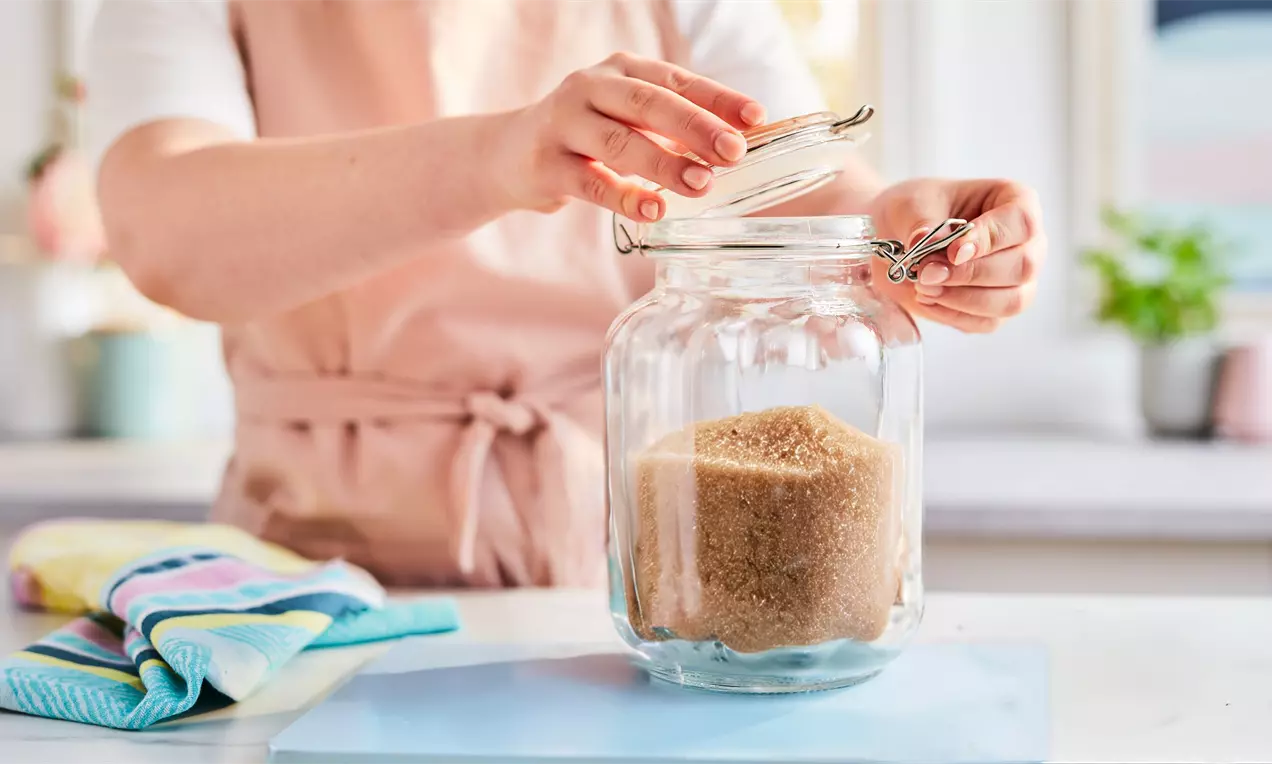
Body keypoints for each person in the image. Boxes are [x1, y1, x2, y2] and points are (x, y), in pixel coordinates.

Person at [87, 0, 1045, 587]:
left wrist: (894, 233)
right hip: (301, 582)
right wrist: (499, 157)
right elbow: (167, 234)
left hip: (621, 557)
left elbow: (793, 192)